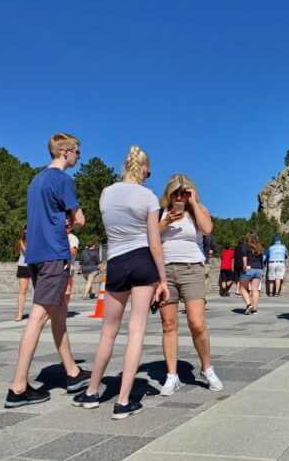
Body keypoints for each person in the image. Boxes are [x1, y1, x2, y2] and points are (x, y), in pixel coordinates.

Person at [72, 145, 169, 419]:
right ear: (146, 169)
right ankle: (123, 401)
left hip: (116, 261)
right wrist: (162, 279)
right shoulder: (148, 197)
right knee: (135, 332)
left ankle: (91, 392)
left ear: (125, 166)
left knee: (107, 332)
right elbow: (154, 243)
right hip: (142, 262)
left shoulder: (107, 194)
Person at [5, 133, 89, 409]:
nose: (79, 156)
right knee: (38, 316)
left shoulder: (37, 180)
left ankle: (73, 372)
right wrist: (71, 224)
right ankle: (18, 387)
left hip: (36, 254)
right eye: (77, 151)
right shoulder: (62, 179)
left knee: (59, 313)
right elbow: (79, 219)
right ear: (65, 151)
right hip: (54, 253)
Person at [156, 173, 223, 396]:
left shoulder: (197, 210)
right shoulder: (160, 212)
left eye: (185, 193)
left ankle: (207, 368)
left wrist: (194, 203)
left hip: (192, 268)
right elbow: (150, 238)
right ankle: (172, 375)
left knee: (196, 322)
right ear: (169, 193)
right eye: (176, 192)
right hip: (165, 270)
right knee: (168, 324)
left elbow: (207, 229)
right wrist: (165, 222)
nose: (180, 197)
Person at [239, 232, 265, 315]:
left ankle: (248, 305)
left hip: (249, 269)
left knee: (242, 288)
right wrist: (262, 270)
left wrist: (244, 265)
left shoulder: (245, 246)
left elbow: (244, 257)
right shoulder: (260, 247)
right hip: (258, 269)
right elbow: (261, 260)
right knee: (255, 290)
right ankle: (255, 309)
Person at [14, 226, 31, 321]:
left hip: (35, 265)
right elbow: (27, 251)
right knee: (22, 290)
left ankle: (41, 312)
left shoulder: (37, 238)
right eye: (26, 229)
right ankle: (20, 313)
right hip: (23, 265)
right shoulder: (22, 240)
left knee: (38, 289)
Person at [64, 224, 79, 306]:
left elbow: (73, 251)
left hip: (68, 268)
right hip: (57, 267)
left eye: (67, 227)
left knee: (67, 290)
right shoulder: (58, 236)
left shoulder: (72, 238)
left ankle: (63, 309)